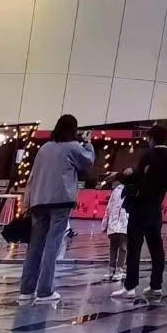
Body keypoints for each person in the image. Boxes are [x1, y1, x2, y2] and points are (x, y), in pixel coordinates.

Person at [19, 114, 94, 305]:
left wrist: (27, 201)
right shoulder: (73, 147)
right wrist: (88, 143)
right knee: (52, 245)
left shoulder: (44, 148)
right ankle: (45, 291)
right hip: (60, 201)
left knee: (35, 246)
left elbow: (33, 175)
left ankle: (26, 292)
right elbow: (88, 160)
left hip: (38, 201)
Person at [113, 125, 167, 306]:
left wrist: (121, 175)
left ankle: (130, 286)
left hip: (140, 207)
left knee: (134, 247)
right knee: (156, 247)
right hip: (155, 208)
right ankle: (156, 285)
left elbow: (138, 177)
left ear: (152, 139)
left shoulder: (149, 155)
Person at [102, 175, 128, 281]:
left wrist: (105, 224)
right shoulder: (129, 190)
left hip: (114, 224)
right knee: (122, 248)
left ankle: (111, 271)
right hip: (123, 224)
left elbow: (108, 208)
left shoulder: (115, 191)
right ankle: (118, 271)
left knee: (113, 248)